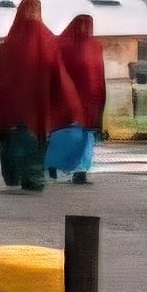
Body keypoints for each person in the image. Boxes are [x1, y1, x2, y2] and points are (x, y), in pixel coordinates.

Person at [0, 0, 79, 193]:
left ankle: (15, 176)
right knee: (36, 143)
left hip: (13, 111)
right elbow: (59, 77)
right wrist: (66, 105)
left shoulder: (10, 44)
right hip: (39, 110)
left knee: (14, 144)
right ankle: (34, 178)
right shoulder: (49, 42)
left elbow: (2, 82)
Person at [44, 15, 106, 184]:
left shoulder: (63, 45)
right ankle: (71, 168)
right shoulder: (90, 46)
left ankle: (73, 169)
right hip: (81, 99)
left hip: (77, 99)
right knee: (78, 135)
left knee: (78, 135)